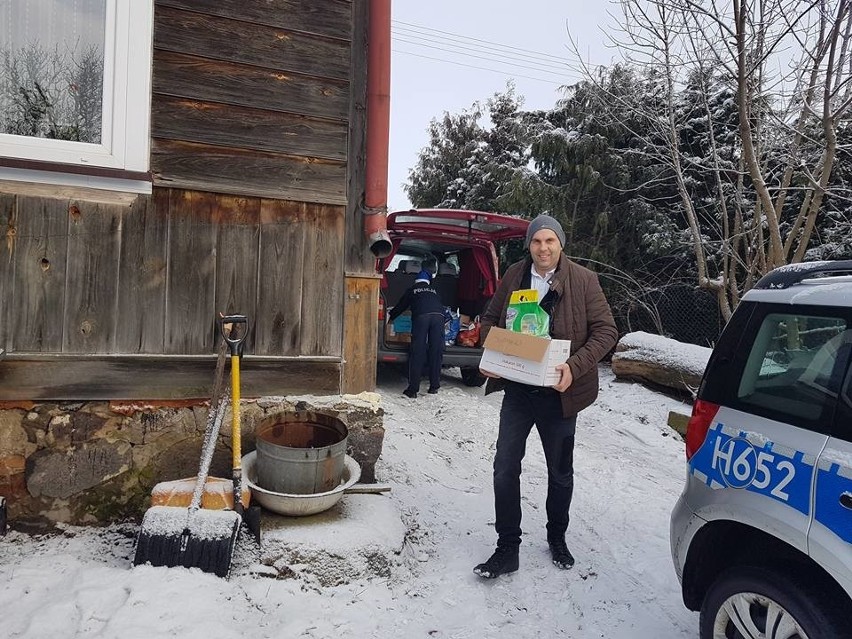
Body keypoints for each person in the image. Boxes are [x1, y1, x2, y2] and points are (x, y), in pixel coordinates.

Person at [473, 214, 618, 579]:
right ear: (529, 245)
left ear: (561, 244)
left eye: (550, 241)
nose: (543, 248)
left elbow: (606, 331)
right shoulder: (514, 276)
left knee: (560, 472)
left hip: (560, 395)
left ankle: (557, 537)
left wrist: (575, 366)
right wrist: (493, 358)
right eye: (537, 241)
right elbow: (490, 321)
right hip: (520, 391)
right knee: (505, 467)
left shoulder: (584, 281)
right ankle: (507, 547)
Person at [387, 269, 445, 398]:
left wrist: (390, 316)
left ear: (416, 281)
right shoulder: (434, 291)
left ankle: (413, 390)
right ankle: (434, 387)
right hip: (439, 317)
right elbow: (441, 306)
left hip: (422, 317)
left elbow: (401, 306)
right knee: (436, 351)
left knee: (418, 351)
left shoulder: (412, 290)